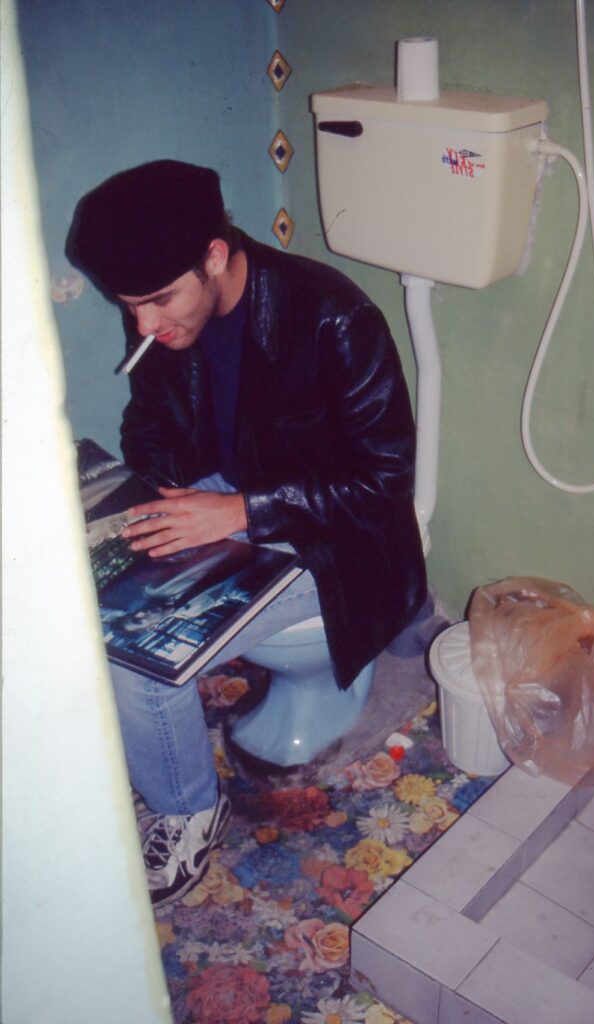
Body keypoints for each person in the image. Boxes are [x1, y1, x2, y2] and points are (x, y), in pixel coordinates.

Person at [66, 159, 427, 907]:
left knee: (142, 654)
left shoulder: (333, 318)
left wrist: (236, 513)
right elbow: (150, 425)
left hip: (335, 540)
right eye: (130, 307)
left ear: (214, 255)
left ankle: (189, 813)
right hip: (235, 499)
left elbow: (385, 480)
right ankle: (164, 758)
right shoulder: (166, 311)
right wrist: (155, 501)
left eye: (156, 302)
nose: (144, 326)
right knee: (95, 587)